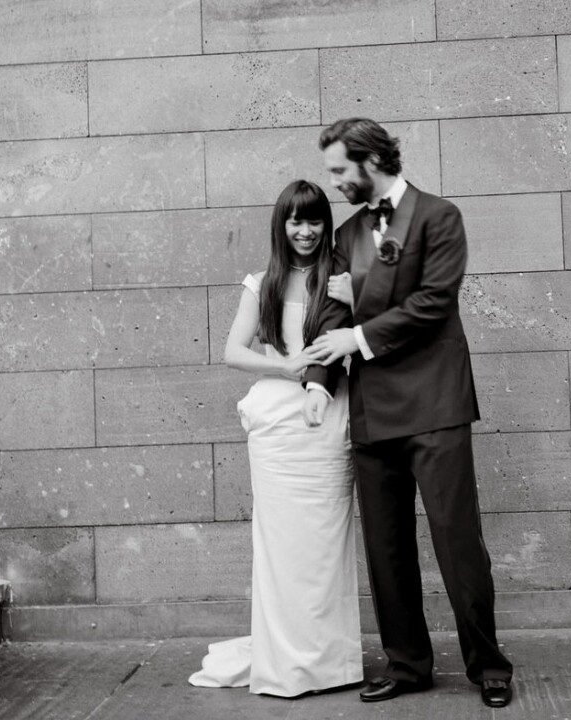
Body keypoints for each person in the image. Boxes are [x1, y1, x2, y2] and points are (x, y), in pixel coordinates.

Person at [303, 118, 514, 708]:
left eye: (341, 169)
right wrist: (320, 379)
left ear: (372, 161)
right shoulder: (347, 234)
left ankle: (489, 665)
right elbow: (328, 314)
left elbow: (432, 302)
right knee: (386, 547)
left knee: (457, 541)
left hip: (435, 405)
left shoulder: (439, 216)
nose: (335, 181)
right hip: (372, 408)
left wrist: (358, 326)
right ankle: (407, 664)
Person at [188, 180, 362, 697]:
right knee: (281, 542)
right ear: (281, 225)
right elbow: (233, 351)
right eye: (295, 221)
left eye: (313, 221)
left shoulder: (341, 279)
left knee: (325, 543)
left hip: (329, 417)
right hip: (277, 425)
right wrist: (287, 368)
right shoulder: (261, 282)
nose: (305, 231)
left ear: (325, 224)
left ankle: (330, 664)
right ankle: (283, 660)